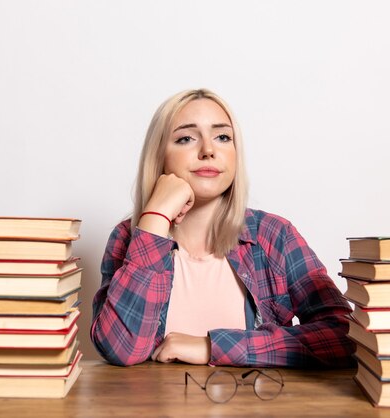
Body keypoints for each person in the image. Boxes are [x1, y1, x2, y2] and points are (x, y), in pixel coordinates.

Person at [90, 88, 355, 368]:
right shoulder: (128, 237)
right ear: (159, 156)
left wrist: (213, 346)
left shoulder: (274, 235)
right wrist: (155, 218)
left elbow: (343, 334)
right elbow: (120, 348)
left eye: (223, 137)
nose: (208, 150)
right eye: (186, 138)